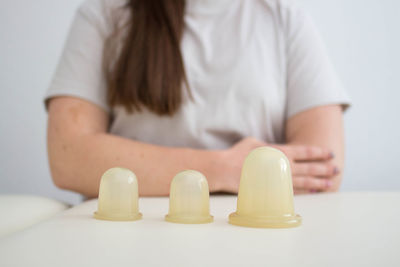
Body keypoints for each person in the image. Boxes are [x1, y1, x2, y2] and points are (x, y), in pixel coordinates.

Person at [45, 0, 351, 197]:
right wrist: (222, 168)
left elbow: (321, 169)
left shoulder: (285, 19)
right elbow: (68, 157)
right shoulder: (104, 14)